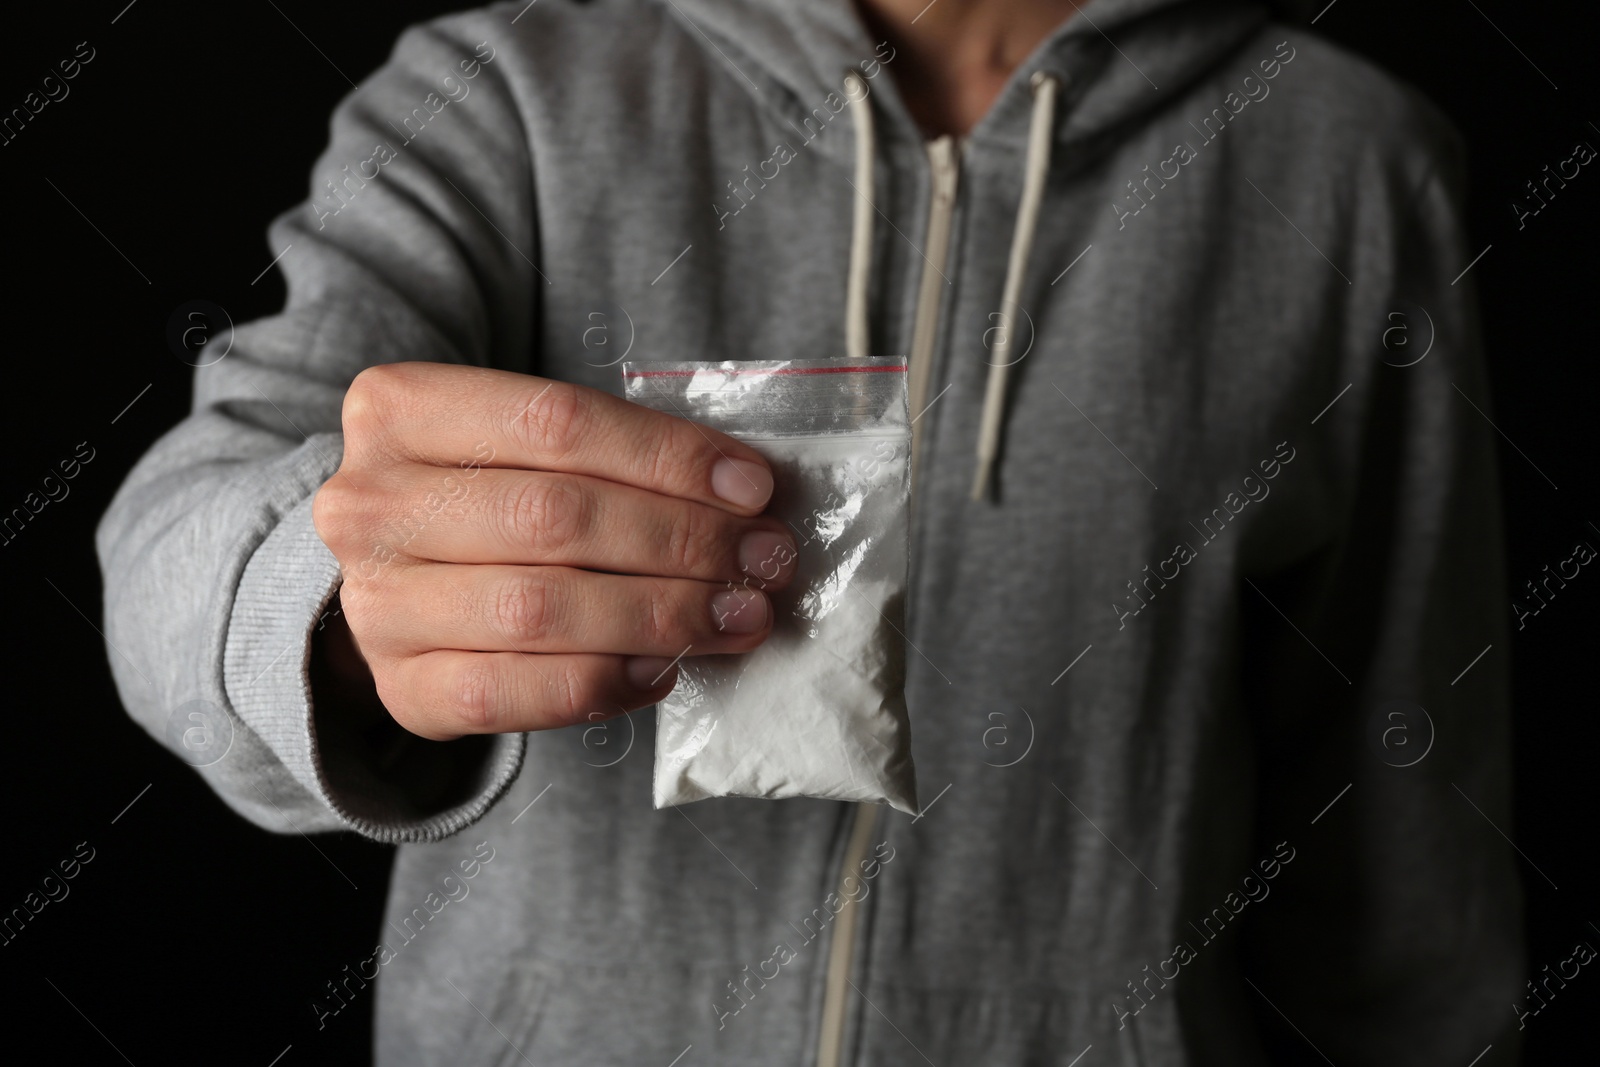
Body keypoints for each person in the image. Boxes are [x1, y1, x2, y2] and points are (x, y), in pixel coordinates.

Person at [98, 0, 1525, 1062]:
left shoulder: (1350, 165)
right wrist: (330, 605)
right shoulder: (505, 89)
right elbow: (181, 533)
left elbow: (1406, 839)